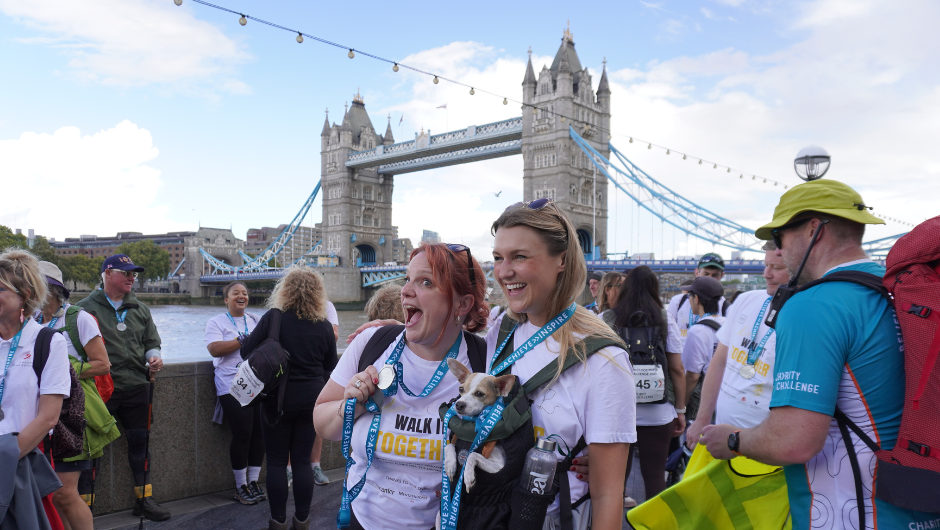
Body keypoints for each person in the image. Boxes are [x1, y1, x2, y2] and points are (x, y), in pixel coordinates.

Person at [700, 179, 936, 529]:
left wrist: (733, 439)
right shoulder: (899, 290)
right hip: (920, 503)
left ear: (813, 230)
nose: (779, 251)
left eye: (779, 238)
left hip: (851, 513)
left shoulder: (812, 305)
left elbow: (793, 442)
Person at [314, 243, 488, 530]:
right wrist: (351, 405)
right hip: (362, 519)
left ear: (462, 304)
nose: (404, 291)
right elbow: (322, 424)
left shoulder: (485, 361)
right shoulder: (370, 345)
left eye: (426, 282)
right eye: (407, 279)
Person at [489, 199, 634, 530]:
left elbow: (608, 495)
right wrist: (392, 334)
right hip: (494, 513)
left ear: (562, 261)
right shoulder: (502, 330)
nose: (503, 272)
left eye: (520, 256)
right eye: (498, 258)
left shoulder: (604, 359)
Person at [241, 266, 337, 530]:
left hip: (276, 401)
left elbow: (245, 353)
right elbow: (331, 367)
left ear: (284, 291)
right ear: (318, 294)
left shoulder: (274, 318)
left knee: (275, 462)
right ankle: (303, 520)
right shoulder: (325, 326)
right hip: (311, 402)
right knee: (303, 461)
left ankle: (278, 521)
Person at [75, 254, 169, 521]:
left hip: (138, 385)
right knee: (93, 449)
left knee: (141, 443)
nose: (131, 278)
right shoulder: (83, 310)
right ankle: (85, 507)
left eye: (133, 274)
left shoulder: (140, 308)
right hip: (100, 390)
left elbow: (152, 340)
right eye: (125, 272)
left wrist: (154, 356)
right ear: (107, 273)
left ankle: (144, 500)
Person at [36, 261, 118, 530]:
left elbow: (103, 364)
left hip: (73, 415)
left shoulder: (78, 318)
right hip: (40, 414)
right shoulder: (32, 320)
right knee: (49, 493)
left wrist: (63, 368)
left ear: (50, 290)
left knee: (64, 493)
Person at [686, 242, 789, 447]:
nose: (766, 275)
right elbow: (720, 362)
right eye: (765, 265)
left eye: (776, 268)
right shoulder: (745, 300)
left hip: (764, 446)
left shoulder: (809, 316)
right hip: (719, 438)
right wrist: (702, 419)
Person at [0, 250, 70, 528]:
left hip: (24, 459)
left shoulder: (48, 342)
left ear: (25, 295)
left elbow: (49, 417)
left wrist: (4, 457)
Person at [606, 266, 685, 503]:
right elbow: (677, 369)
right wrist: (680, 410)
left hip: (617, 411)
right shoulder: (665, 317)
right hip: (658, 413)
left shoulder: (607, 318)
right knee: (654, 478)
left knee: (613, 483)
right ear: (654, 289)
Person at [204, 282, 265, 505]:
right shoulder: (216, 321)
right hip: (231, 385)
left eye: (245, 293)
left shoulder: (257, 320)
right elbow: (213, 349)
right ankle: (240, 486)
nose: (242, 296)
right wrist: (240, 341)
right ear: (226, 299)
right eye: (236, 293)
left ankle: (253, 481)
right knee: (243, 433)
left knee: (259, 433)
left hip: (257, 383)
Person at [680, 276, 726, 420]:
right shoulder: (728, 323)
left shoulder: (697, 331)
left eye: (690, 296)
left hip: (705, 395)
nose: (688, 300)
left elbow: (693, 376)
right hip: (725, 392)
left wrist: (682, 405)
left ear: (697, 299)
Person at [666, 253, 727, 346]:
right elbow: (668, 333)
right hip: (679, 358)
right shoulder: (677, 301)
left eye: (715, 275)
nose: (709, 279)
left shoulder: (726, 307)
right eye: (706, 274)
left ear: (722, 275)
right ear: (697, 272)